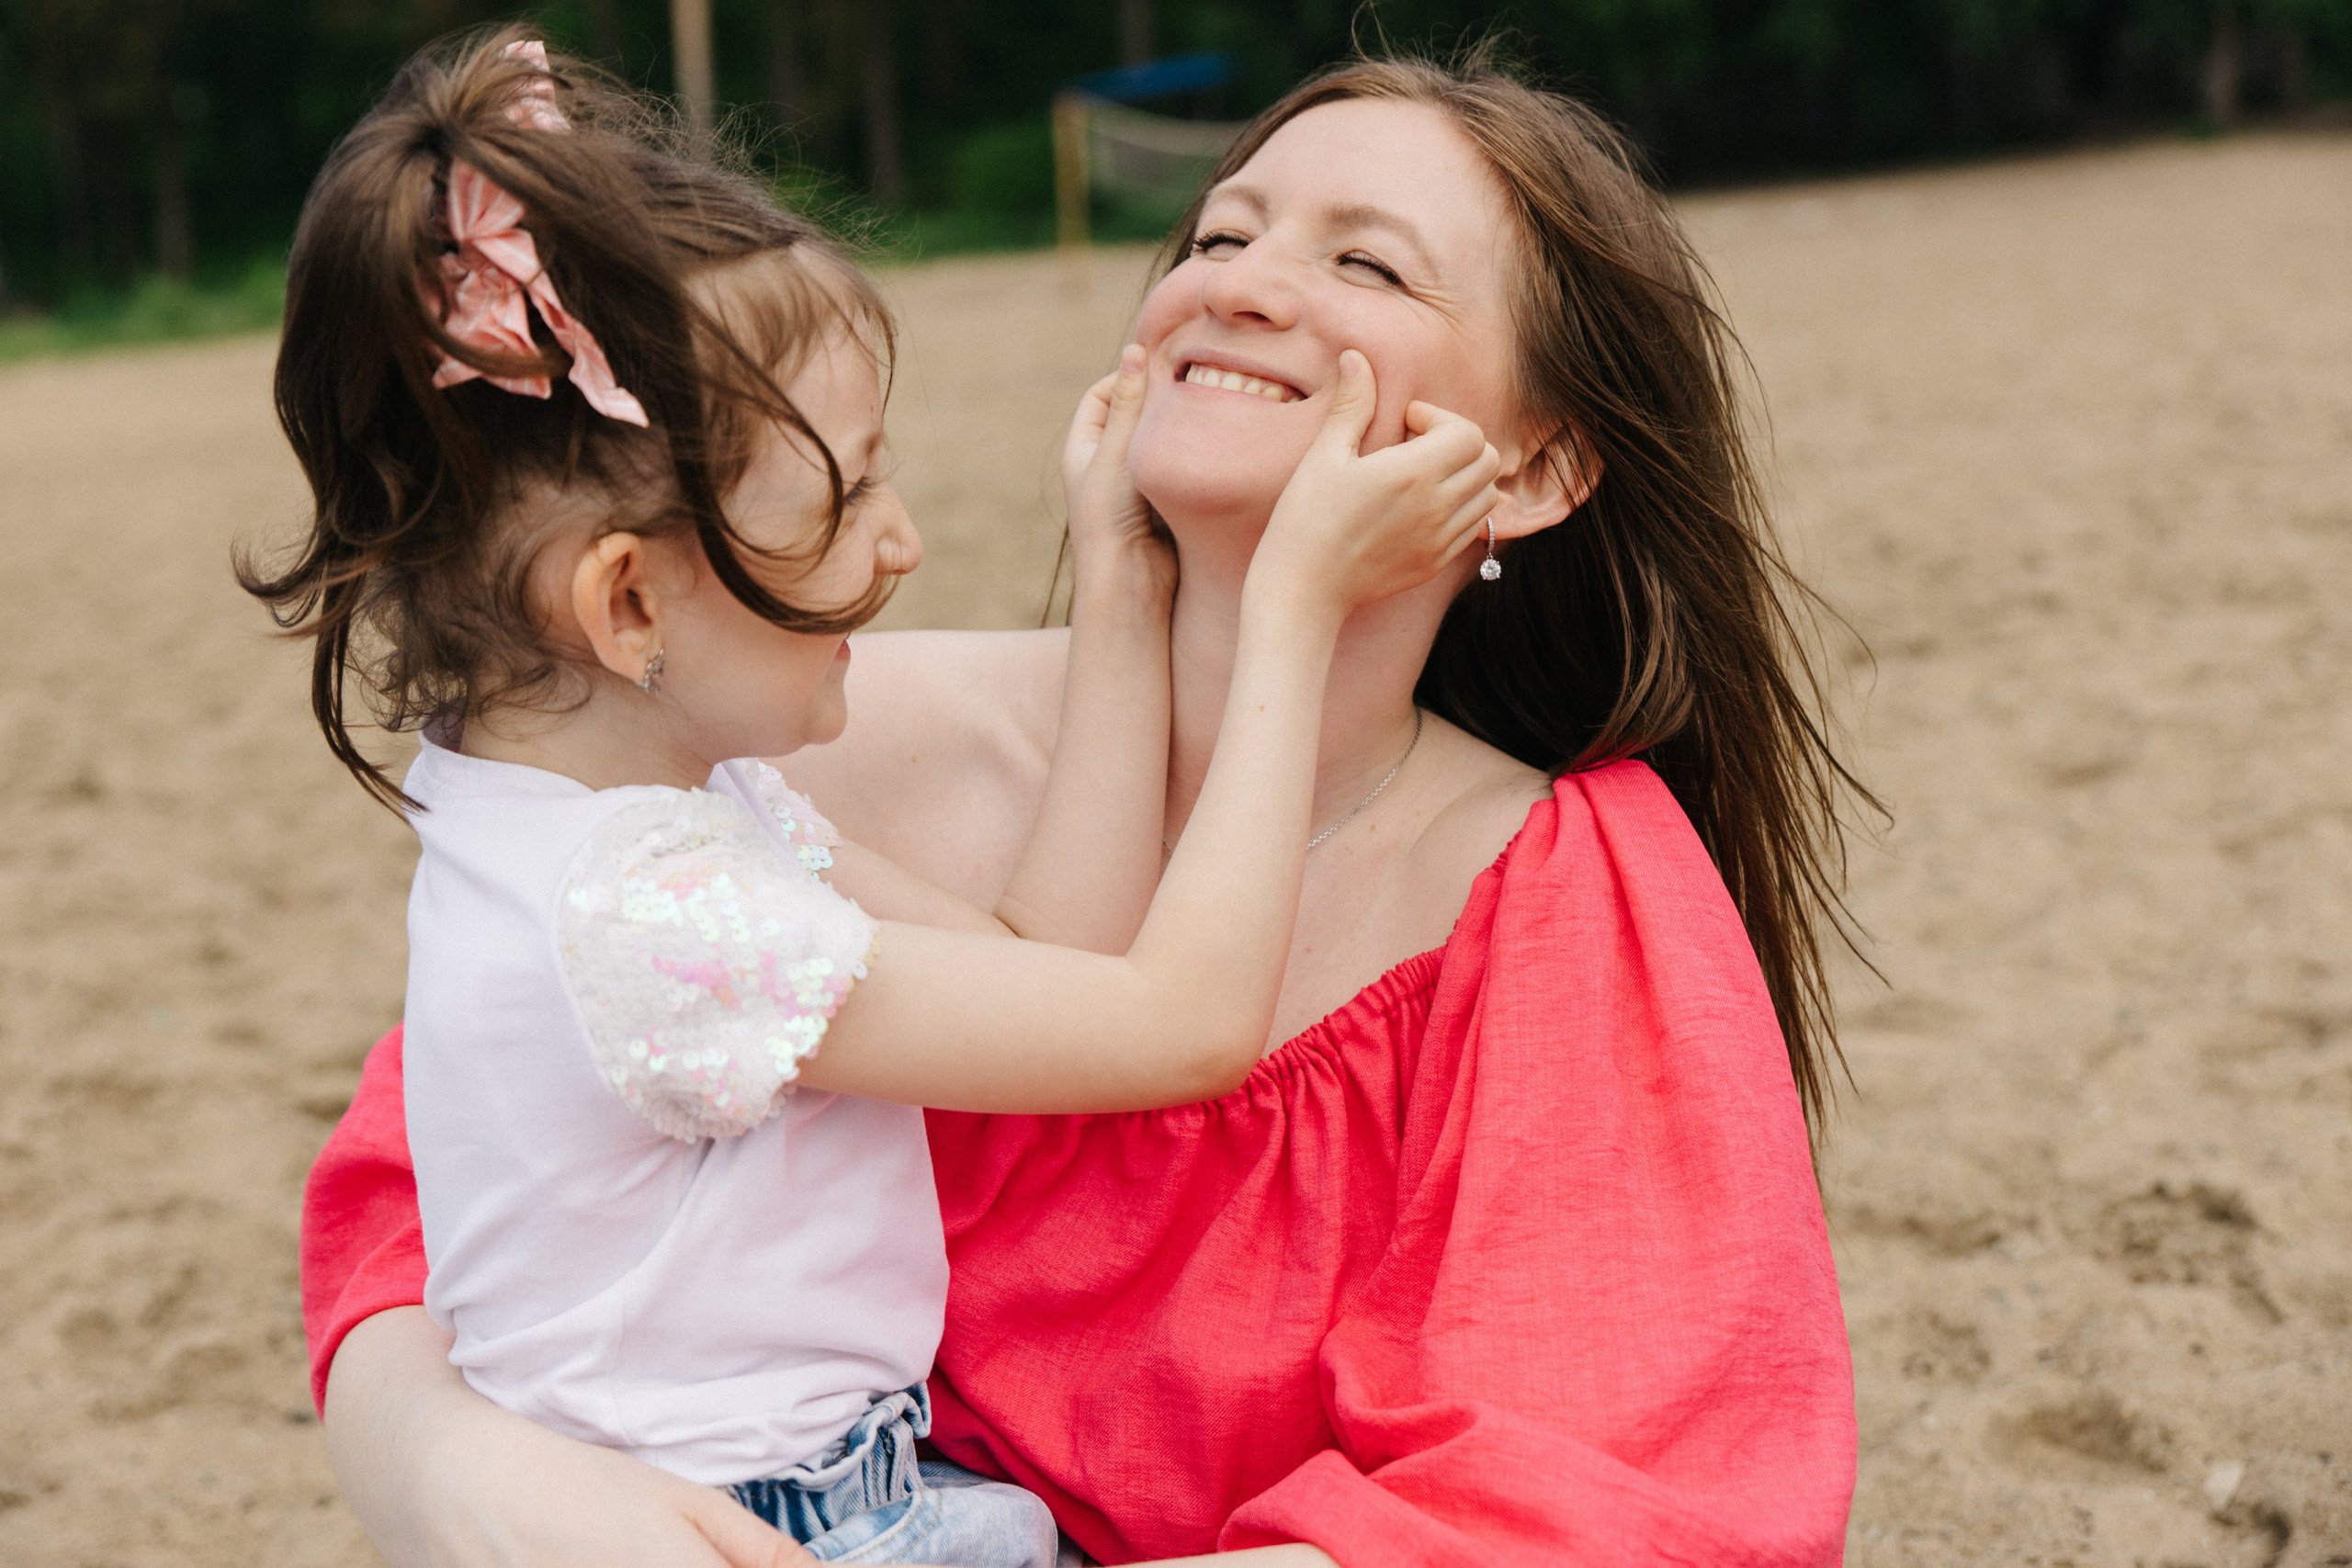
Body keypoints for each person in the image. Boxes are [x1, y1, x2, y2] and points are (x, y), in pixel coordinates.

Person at [299, 43, 1868, 1568]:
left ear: (1528, 468)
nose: (1239, 280)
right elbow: (436, 1193)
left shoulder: (1563, 889)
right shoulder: (772, 750)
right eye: (1220, 231)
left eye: (1369, 268)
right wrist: (449, 1465)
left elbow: (1610, 1495)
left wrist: (1271, 609)